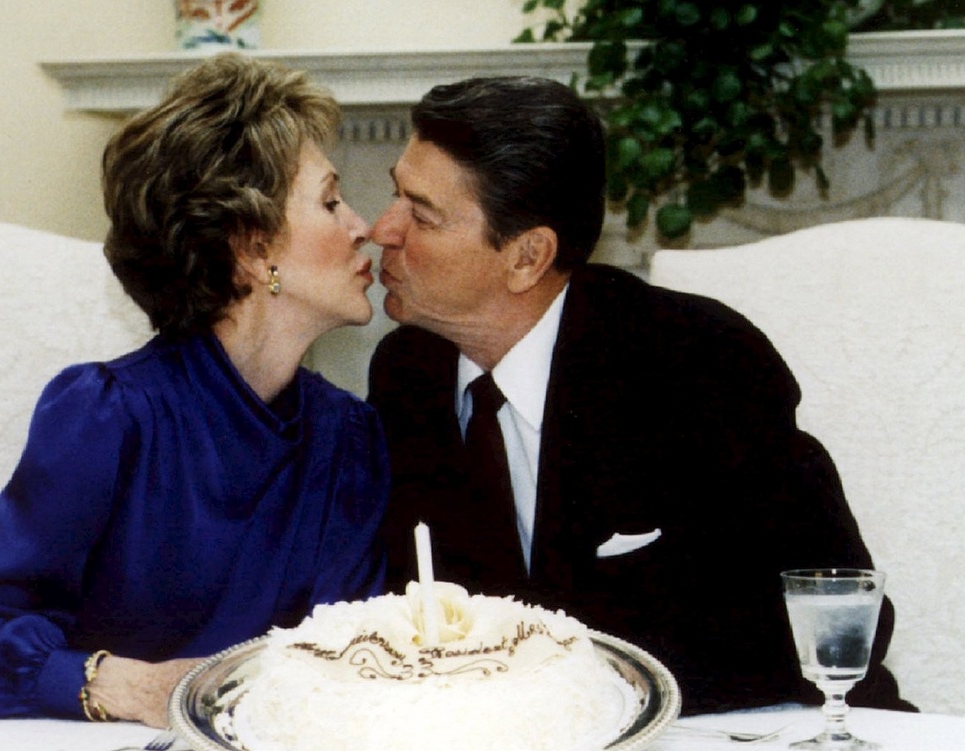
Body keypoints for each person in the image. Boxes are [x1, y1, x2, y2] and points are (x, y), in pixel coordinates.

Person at [366, 76, 913, 714]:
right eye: (395, 194)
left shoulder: (698, 358)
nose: (383, 229)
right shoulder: (408, 372)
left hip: (755, 737)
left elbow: (836, 612)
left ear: (527, 256)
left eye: (421, 214)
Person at [0, 53, 389, 728]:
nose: (362, 226)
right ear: (253, 249)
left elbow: (353, 663)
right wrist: (136, 688)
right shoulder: (107, 415)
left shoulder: (350, 440)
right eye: (331, 200)